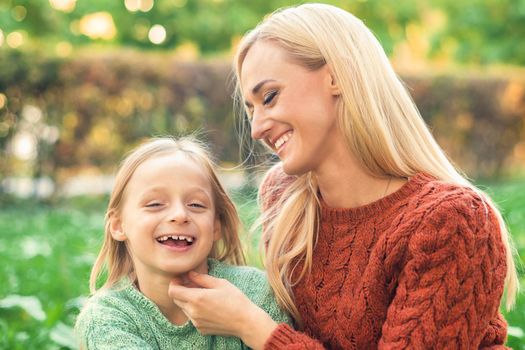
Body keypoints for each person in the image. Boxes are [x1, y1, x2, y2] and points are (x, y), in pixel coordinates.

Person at [168, 3, 519, 350]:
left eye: (270, 97)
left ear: (337, 77)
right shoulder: (285, 196)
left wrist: (254, 327)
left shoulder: (451, 222)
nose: (257, 128)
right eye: (251, 109)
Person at [75, 136, 290, 349]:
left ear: (215, 225)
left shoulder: (257, 295)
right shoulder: (105, 320)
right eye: (155, 204)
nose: (179, 215)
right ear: (118, 225)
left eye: (196, 205)